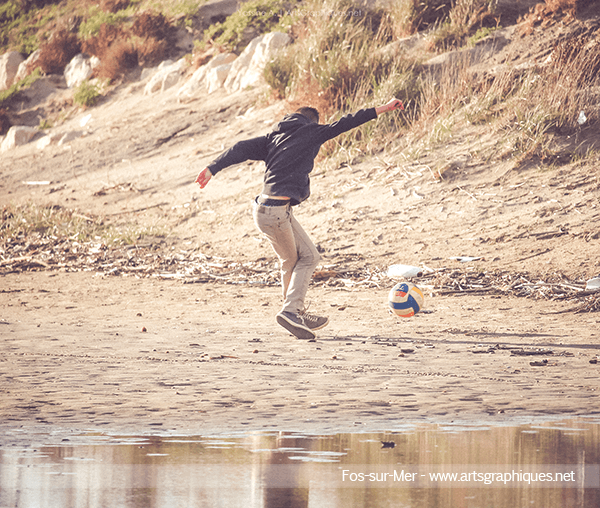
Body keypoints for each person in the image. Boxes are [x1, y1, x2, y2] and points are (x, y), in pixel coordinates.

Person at [196, 98, 404, 340]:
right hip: (275, 212)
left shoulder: (272, 138)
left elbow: (239, 148)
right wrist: (384, 108)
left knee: (290, 261)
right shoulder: (310, 132)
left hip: (265, 209)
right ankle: (291, 311)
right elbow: (347, 122)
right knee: (309, 257)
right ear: (312, 122)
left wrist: (212, 168)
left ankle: (294, 312)